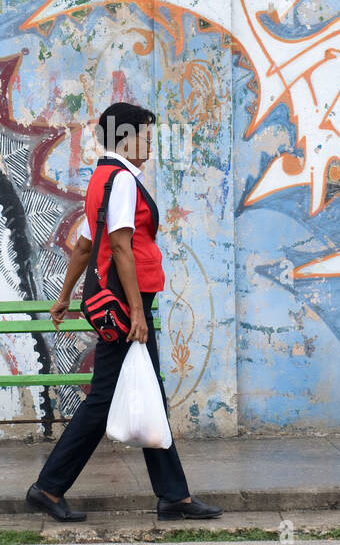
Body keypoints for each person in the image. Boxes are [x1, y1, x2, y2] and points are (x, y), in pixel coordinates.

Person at [26, 102, 222, 522]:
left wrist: (65, 294)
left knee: (145, 391)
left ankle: (174, 495)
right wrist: (136, 310)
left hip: (116, 299)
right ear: (126, 137)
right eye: (147, 137)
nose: (150, 145)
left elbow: (83, 244)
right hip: (124, 303)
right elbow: (117, 246)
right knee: (103, 399)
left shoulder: (103, 179)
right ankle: (48, 487)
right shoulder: (123, 182)